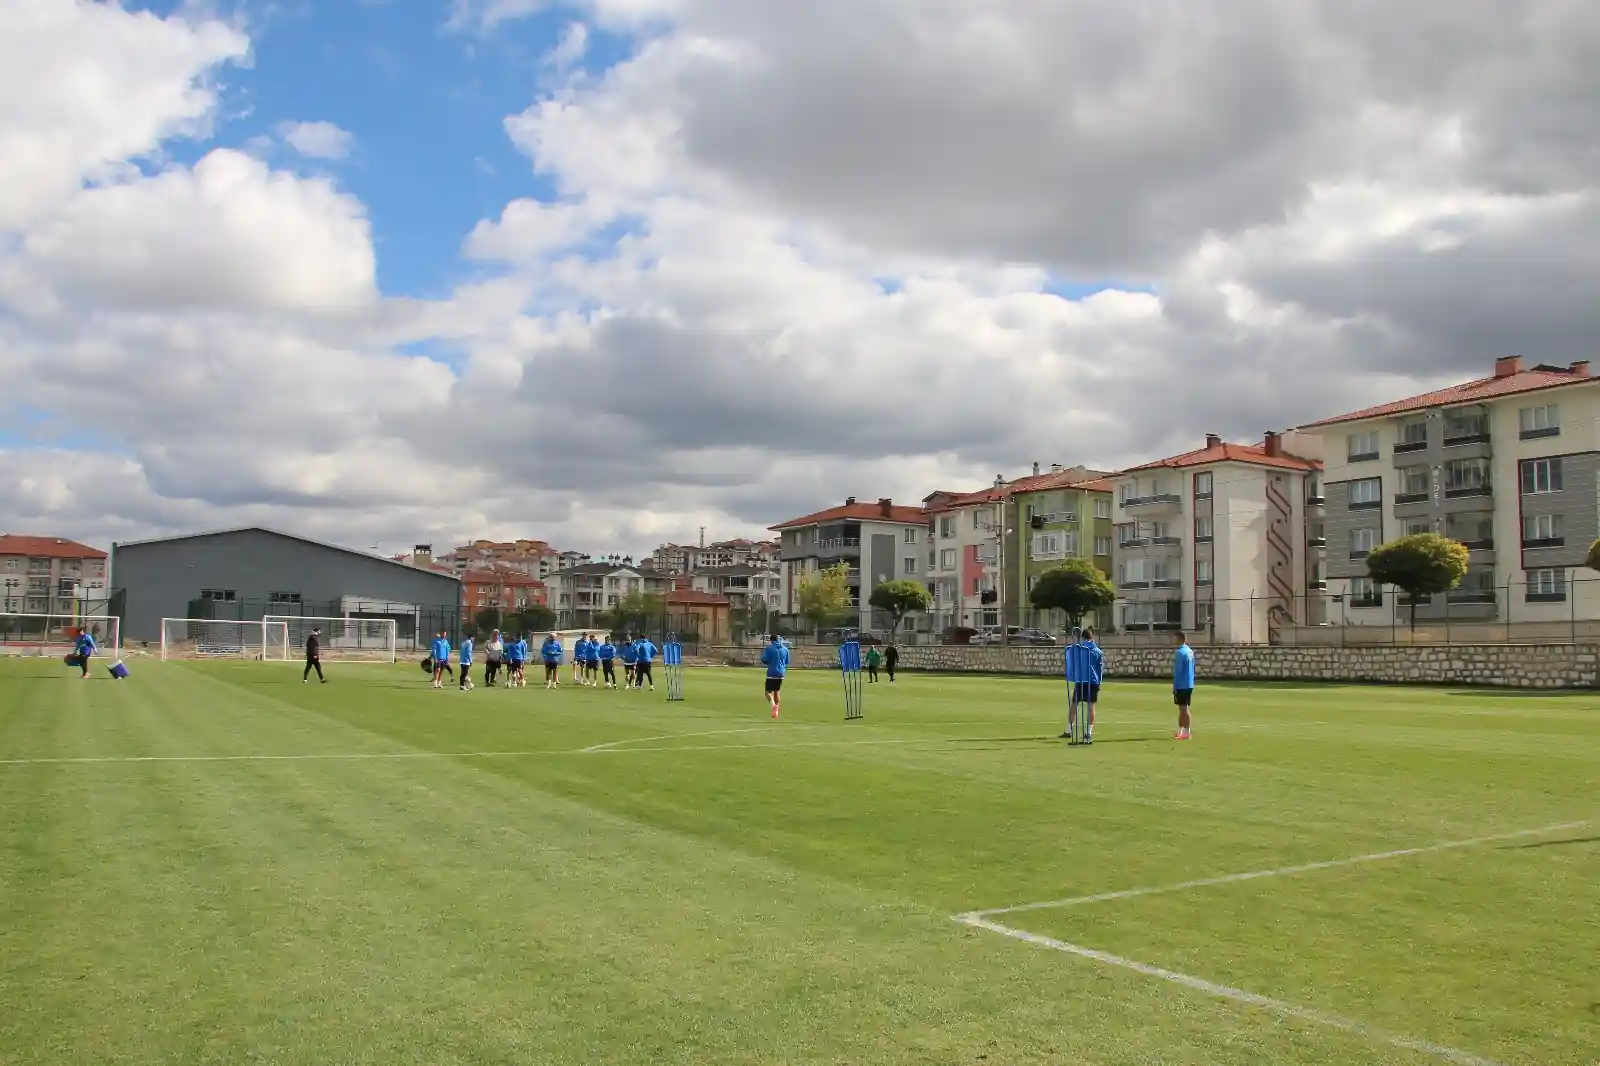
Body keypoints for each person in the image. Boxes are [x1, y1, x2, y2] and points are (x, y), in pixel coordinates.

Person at [1077, 627, 1104, 743]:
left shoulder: (1079, 649)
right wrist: (1100, 681)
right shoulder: (1098, 651)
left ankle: (1069, 729)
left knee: (1075, 702)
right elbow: (1100, 668)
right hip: (1093, 681)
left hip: (1081, 679)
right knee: (1091, 706)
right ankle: (1088, 733)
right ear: (1092, 637)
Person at [1173, 630, 1196, 740]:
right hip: (1189, 683)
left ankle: (1186, 732)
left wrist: (1175, 686)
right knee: (1182, 708)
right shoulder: (1190, 651)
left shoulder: (1180, 652)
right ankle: (1181, 731)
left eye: (1174, 638)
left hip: (1182, 684)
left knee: (1184, 708)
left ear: (1179, 639)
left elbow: (1178, 671)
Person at [760, 633, 789, 718]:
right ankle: (777, 709)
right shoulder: (785, 649)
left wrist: (770, 662)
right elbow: (787, 661)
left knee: (767, 692)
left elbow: (764, 659)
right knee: (776, 691)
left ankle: (773, 706)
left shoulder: (770, 648)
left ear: (771, 640)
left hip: (772, 673)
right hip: (781, 673)